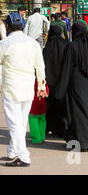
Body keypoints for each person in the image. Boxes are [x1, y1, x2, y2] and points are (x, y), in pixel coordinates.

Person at [0, 12, 47, 167]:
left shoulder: (4, 44)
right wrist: (41, 86)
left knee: (14, 123)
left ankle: (24, 156)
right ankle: (12, 151)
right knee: (19, 122)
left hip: (11, 88)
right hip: (28, 88)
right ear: (22, 25)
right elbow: (40, 66)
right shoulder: (32, 43)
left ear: (7, 26)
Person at [54, 21, 88, 152]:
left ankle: (85, 142)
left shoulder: (72, 47)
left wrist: (60, 88)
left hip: (76, 83)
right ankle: (76, 140)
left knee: (76, 112)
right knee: (87, 110)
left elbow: (66, 68)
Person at [43, 25, 68, 137]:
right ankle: (61, 129)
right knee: (61, 105)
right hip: (62, 82)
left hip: (49, 82)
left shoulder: (47, 47)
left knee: (49, 105)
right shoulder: (66, 46)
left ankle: (48, 127)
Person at [29, 80, 49, 145]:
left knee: (33, 121)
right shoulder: (42, 78)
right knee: (42, 120)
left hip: (33, 102)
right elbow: (47, 92)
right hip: (42, 101)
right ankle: (42, 137)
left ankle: (36, 138)